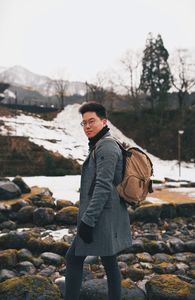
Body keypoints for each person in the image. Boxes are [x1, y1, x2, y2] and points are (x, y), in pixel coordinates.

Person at [65, 102, 132, 300]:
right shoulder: (100, 144)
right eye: (84, 123)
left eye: (91, 121)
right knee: (109, 262)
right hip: (106, 214)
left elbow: (103, 186)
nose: (87, 126)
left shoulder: (107, 146)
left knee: (73, 258)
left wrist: (88, 220)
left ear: (104, 121)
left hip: (100, 217)